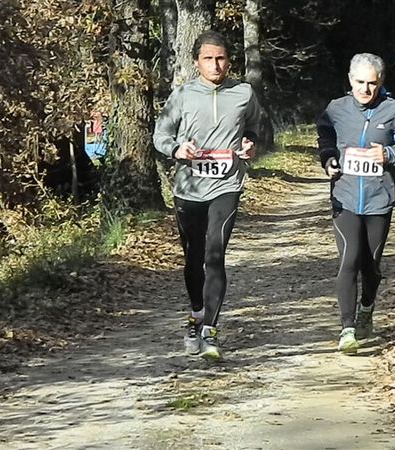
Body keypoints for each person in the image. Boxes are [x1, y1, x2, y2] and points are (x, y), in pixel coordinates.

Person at [153, 30, 260, 361]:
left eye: (222, 58)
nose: (216, 65)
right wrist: (177, 149)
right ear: (197, 61)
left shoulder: (243, 92)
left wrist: (250, 144)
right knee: (193, 258)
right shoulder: (182, 95)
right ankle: (198, 314)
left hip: (226, 185)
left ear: (229, 60)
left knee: (215, 254)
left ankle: (210, 330)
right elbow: (160, 135)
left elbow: (255, 127)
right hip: (188, 188)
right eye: (209, 59)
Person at [316, 53, 395, 354]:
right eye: (360, 82)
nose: (365, 89)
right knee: (349, 259)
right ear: (350, 80)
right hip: (344, 198)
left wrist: (389, 155)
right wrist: (328, 158)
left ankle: (367, 307)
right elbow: (325, 133)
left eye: (372, 83)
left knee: (370, 266)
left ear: (381, 83)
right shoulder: (336, 109)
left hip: (379, 200)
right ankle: (347, 329)